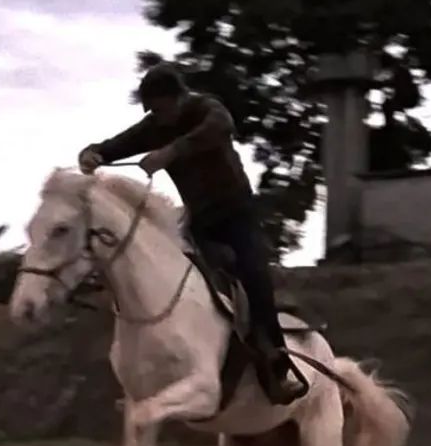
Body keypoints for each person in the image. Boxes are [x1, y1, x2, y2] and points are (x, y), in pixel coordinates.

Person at [77, 62, 307, 405]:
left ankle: (276, 368)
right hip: (198, 220)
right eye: (152, 110)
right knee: (170, 275)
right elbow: (119, 144)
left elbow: (219, 127)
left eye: (161, 107)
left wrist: (171, 151)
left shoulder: (207, 109)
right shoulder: (156, 125)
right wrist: (94, 152)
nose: (158, 115)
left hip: (236, 214)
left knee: (256, 279)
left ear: (179, 97)